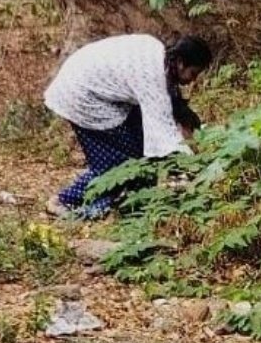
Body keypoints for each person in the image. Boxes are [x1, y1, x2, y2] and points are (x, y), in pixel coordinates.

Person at [43, 33, 212, 218]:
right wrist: (195, 168)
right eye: (193, 73)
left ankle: (135, 202)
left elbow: (175, 110)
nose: (193, 80)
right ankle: (65, 200)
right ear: (180, 63)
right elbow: (164, 138)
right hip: (80, 95)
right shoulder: (152, 75)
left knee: (137, 148)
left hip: (88, 84)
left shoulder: (158, 54)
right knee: (119, 164)